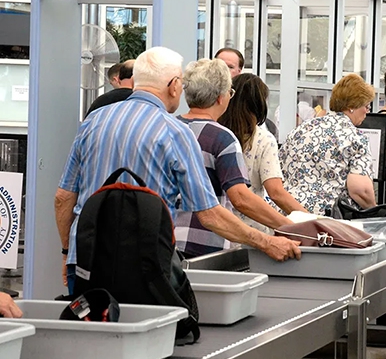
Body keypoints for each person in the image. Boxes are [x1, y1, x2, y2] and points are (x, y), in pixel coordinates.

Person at [56, 47, 300, 292]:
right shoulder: (173, 132)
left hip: (86, 258)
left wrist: (68, 251)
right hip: (143, 264)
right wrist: (266, 241)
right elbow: (209, 214)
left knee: (91, 327)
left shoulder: (93, 121)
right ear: (173, 85)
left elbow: (63, 197)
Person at [175, 59, 294, 258]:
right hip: (204, 243)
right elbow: (240, 198)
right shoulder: (221, 137)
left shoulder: (169, 127)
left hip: (165, 240)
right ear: (221, 98)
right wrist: (291, 227)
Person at [219, 73, 307, 234]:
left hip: (219, 227)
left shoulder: (217, 133)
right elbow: (276, 192)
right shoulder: (263, 140)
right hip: (251, 229)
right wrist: (309, 220)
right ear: (260, 104)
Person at [279, 74, 376, 215]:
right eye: (366, 106)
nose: (367, 111)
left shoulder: (302, 128)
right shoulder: (355, 137)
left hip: (288, 212)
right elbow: (360, 190)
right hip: (326, 218)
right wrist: (375, 210)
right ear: (352, 106)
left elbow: (279, 171)